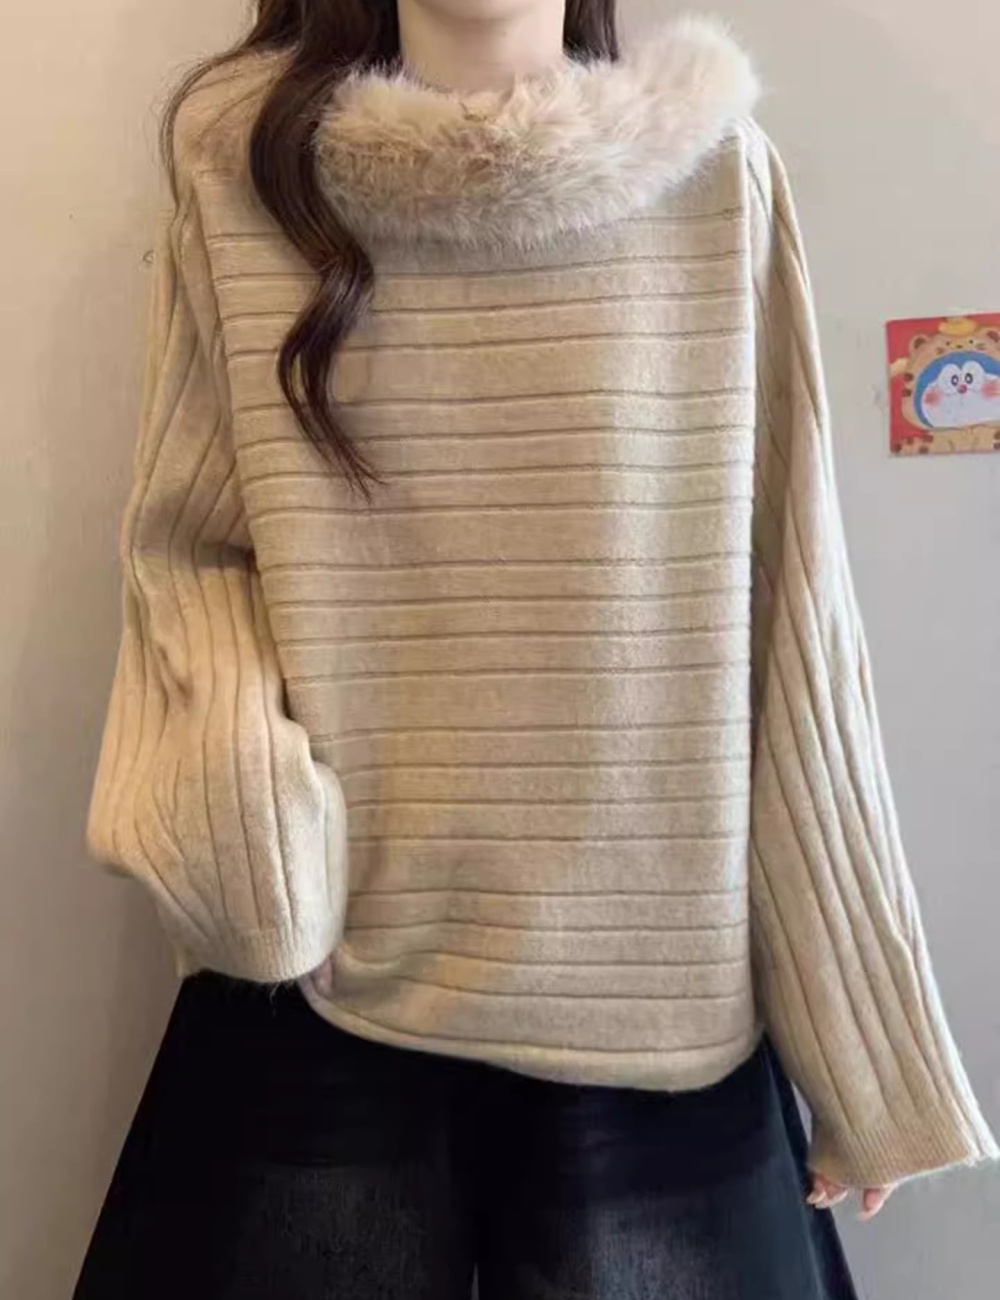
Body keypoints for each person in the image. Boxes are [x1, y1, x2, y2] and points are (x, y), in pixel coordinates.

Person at [74, 1, 996, 1296]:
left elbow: (791, 598)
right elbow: (187, 553)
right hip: (329, 980)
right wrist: (250, 827)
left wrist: (861, 1043)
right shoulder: (248, 177)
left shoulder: (711, 175)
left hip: (651, 1010)